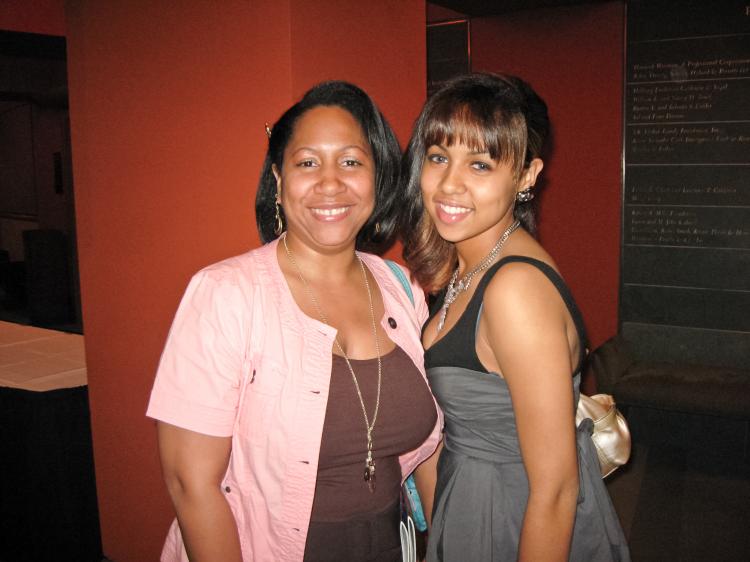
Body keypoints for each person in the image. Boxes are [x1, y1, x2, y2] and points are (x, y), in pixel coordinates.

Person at [147, 81, 442, 562]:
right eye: (307, 163)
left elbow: (428, 451)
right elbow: (190, 485)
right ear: (279, 182)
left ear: (377, 178)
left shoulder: (400, 287)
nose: (331, 182)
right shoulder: (226, 294)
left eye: (351, 161)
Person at [401, 73, 630, 561]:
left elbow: (556, 488)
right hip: (473, 505)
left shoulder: (514, 289)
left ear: (526, 176)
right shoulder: (471, 264)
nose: (449, 183)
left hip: (514, 518)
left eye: (479, 164)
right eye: (439, 157)